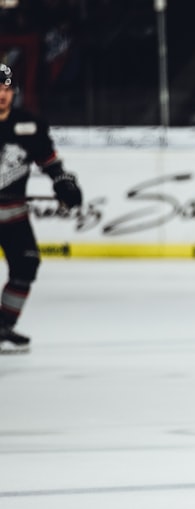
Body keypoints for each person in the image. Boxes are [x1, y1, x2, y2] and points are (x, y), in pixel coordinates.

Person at [0, 63, 83, 353]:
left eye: (8, 89)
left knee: (26, 264)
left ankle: (3, 326)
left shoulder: (29, 125)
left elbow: (50, 163)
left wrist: (64, 184)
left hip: (13, 216)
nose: (2, 94)